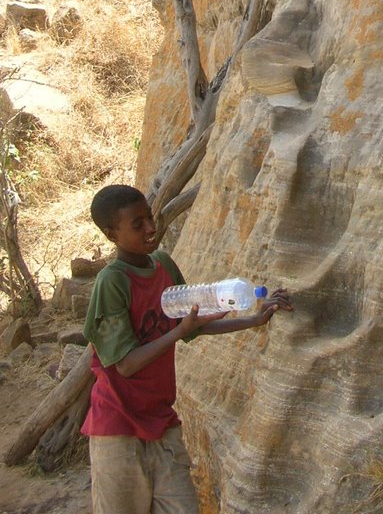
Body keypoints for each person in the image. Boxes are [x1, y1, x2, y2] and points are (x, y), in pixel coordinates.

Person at [81, 183, 292, 514]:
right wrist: (179, 332)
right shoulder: (112, 281)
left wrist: (254, 319)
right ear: (112, 234)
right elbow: (126, 364)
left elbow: (195, 326)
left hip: (162, 424)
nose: (151, 228)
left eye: (149, 217)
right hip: (118, 430)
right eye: (137, 224)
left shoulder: (163, 265)